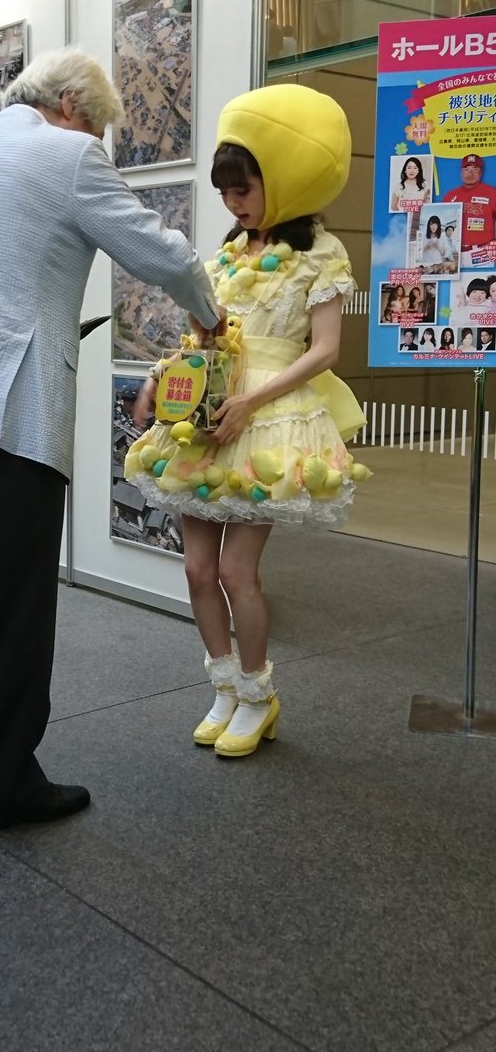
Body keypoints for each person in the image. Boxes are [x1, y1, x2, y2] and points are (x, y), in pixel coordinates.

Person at [0, 48, 224, 832]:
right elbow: (158, 252)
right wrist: (208, 312)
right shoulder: (69, 155)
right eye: (97, 126)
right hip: (10, 406)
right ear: (70, 105)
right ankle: (3, 784)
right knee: (15, 602)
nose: (97, 141)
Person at [125, 84, 370, 759]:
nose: (234, 202)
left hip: (269, 417)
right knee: (196, 571)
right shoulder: (229, 252)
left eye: (245, 189)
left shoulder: (322, 252)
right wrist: (160, 378)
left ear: (284, 179)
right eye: (226, 191)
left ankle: (259, 695)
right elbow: (203, 334)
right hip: (207, 411)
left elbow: (325, 350)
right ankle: (224, 687)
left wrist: (251, 404)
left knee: (237, 572)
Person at [443, 154, 496, 265]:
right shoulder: (450, 196)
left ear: (481, 172)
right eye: (466, 169)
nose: (470, 173)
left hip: (482, 252)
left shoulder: (492, 193)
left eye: (475, 169)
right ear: (461, 171)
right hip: (454, 253)